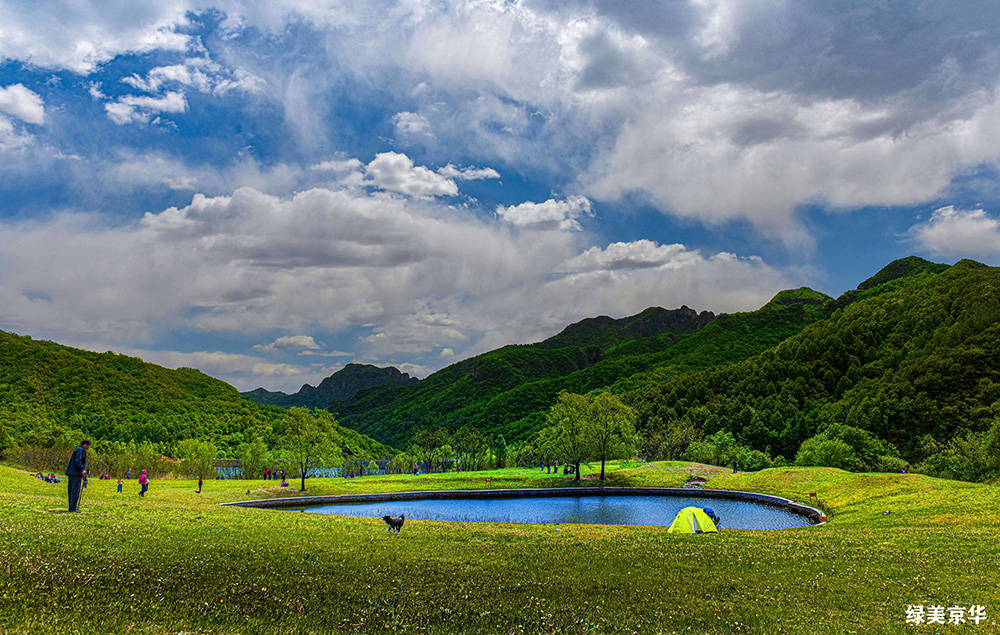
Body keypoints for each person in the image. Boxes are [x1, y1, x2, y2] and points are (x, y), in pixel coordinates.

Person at [65, 439, 90, 513]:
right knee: (75, 491)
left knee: (71, 490)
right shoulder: (80, 450)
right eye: (88, 445)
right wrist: (82, 470)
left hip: (72, 473)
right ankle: (73, 507)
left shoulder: (78, 449)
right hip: (76, 473)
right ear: (84, 444)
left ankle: (71, 506)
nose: (89, 447)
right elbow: (77, 461)